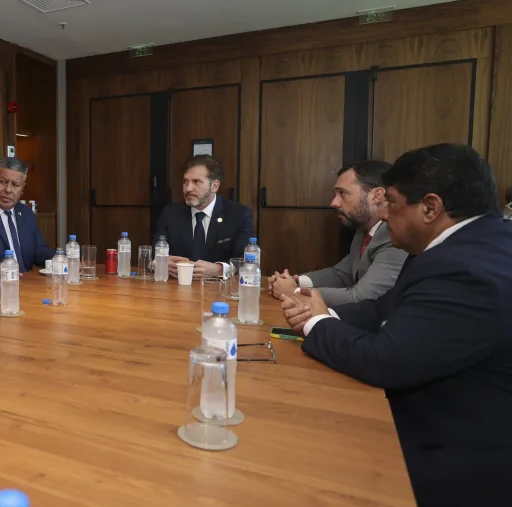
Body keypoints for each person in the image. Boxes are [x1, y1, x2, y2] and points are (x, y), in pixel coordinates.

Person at [279, 143, 512, 506]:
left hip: (448, 459)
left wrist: (317, 323)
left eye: (392, 202)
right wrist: (323, 313)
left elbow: (385, 361)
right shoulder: (457, 246)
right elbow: (382, 308)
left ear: (430, 208)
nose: (384, 215)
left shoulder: (470, 270)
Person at [269, 160, 406, 306]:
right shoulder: (362, 231)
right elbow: (341, 275)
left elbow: (362, 297)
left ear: (377, 195)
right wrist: (296, 281)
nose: (334, 202)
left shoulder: (394, 236)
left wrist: (294, 292)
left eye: (343, 193)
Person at [153, 155, 254, 279]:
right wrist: (160, 263)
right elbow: (154, 253)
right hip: (176, 288)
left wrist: (219, 269)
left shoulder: (239, 214)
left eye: (196, 182)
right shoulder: (170, 213)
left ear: (215, 186)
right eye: (185, 182)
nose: (188, 188)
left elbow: (246, 260)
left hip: (219, 290)